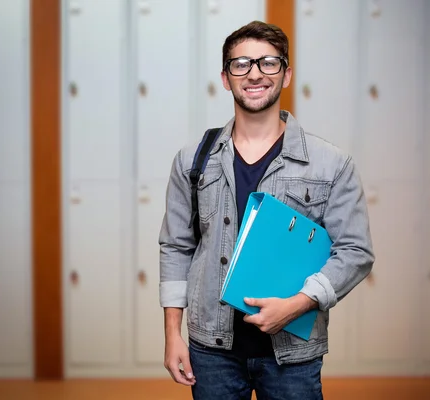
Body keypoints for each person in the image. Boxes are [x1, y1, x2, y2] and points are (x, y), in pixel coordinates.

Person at [158, 20, 375, 400]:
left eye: (268, 63)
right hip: (212, 350)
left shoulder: (330, 163)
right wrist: (172, 335)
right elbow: (176, 247)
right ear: (225, 78)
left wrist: (299, 304)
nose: (255, 73)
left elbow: (356, 252)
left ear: (286, 74)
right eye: (240, 64)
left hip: (292, 355)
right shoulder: (193, 160)